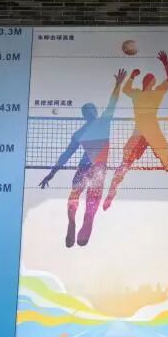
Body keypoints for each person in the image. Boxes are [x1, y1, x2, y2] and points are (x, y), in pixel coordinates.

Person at [39, 69, 127, 247]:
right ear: (94, 112)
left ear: (84, 115)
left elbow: (65, 156)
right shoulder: (103, 122)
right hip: (98, 169)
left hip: (84, 167)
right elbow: (112, 103)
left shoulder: (80, 133)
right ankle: (86, 222)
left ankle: (72, 220)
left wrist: (51, 174)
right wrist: (118, 84)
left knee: (75, 195)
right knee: (91, 202)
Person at [103, 51, 168, 211]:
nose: (149, 80)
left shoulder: (155, 92)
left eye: (150, 79)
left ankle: (167, 164)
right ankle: (112, 191)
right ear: (147, 82)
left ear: (152, 82)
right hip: (142, 133)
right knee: (125, 163)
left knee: (165, 156)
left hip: (150, 132)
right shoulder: (138, 93)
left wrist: (166, 63)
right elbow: (126, 89)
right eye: (148, 78)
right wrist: (132, 76)